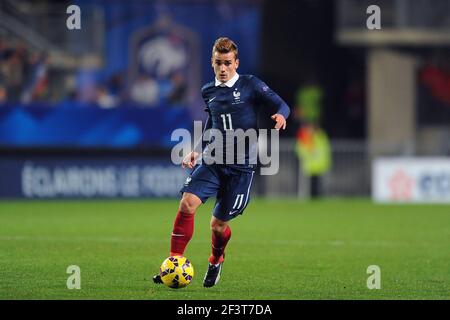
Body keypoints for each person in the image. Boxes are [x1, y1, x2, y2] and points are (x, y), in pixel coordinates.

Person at [153, 37, 290, 287]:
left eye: (228, 63)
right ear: (212, 63)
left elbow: (281, 103)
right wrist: (197, 150)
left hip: (241, 168)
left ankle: (216, 260)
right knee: (187, 203)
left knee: (217, 225)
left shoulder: (250, 84)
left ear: (236, 63)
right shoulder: (208, 91)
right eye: (218, 63)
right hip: (213, 160)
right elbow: (212, 123)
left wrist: (281, 114)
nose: (223, 68)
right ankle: (174, 262)